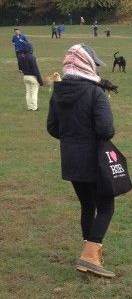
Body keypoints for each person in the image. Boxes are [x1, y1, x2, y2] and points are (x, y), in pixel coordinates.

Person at [46, 44, 117, 278]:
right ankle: (90, 255)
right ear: (86, 64)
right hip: (93, 159)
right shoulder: (95, 93)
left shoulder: (58, 92)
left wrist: (72, 138)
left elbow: (53, 128)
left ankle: (90, 253)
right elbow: (106, 130)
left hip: (70, 159)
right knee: (106, 206)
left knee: (87, 205)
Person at [17, 41, 43, 110]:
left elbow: (20, 67)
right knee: (34, 92)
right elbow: (36, 70)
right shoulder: (32, 57)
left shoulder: (21, 57)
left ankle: (29, 107)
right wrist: (40, 81)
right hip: (33, 77)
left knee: (28, 92)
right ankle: (34, 107)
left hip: (25, 77)